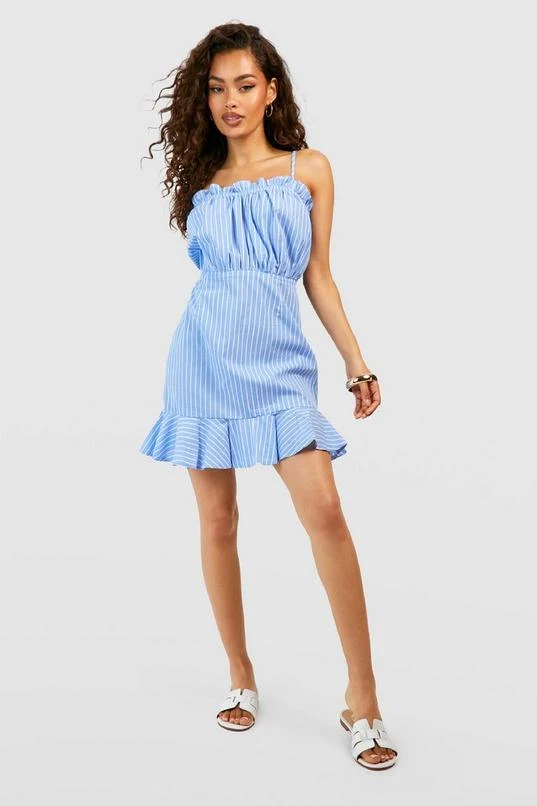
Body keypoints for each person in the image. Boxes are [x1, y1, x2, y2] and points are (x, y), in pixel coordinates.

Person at [139, 21, 398, 770]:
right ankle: (241, 675)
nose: (231, 100)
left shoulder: (306, 169)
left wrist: (355, 363)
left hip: (280, 366)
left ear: (271, 90)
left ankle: (362, 698)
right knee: (218, 520)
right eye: (217, 88)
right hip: (201, 361)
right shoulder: (202, 183)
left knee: (326, 514)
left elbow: (318, 275)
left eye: (245, 85)